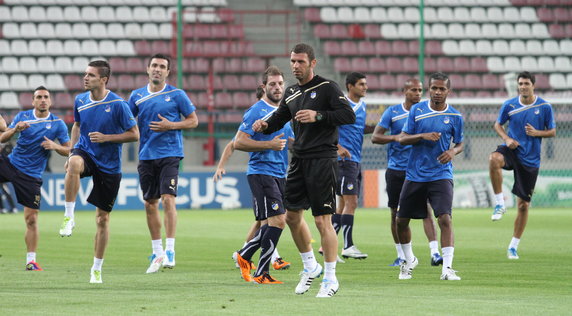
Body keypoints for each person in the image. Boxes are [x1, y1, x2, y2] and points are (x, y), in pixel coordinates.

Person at [253, 43, 356, 297]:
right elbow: (279, 118)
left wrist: (318, 116)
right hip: (298, 160)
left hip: (322, 159)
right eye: (292, 61)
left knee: (322, 220)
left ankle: (330, 279)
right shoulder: (290, 92)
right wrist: (263, 125)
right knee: (291, 217)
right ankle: (310, 266)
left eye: (300, 61)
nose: (295, 66)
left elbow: (348, 115)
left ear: (312, 63)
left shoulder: (327, 88)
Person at [59, 60, 139, 283]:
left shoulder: (118, 104)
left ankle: (96, 268)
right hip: (86, 152)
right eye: (85, 74)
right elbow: (76, 125)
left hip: (109, 165)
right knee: (74, 164)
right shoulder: (80, 100)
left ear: (103, 79)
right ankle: (69, 216)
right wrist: (72, 151)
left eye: (91, 75)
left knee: (102, 220)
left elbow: (134, 134)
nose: (85, 78)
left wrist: (107, 138)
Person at [127, 54, 198, 273]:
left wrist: (171, 125)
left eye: (162, 67)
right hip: (147, 155)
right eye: (154, 66)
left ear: (168, 72)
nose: (158, 69)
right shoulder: (136, 96)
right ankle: (157, 251)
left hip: (170, 153)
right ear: (147, 69)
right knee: (150, 203)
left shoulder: (177, 95)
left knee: (168, 199)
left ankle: (170, 250)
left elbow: (193, 121)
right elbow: (128, 122)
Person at [227, 66, 296, 284]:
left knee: (270, 223)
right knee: (278, 221)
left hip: (279, 173)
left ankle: (244, 255)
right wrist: (269, 144)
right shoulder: (256, 111)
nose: (277, 88)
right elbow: (239, 142)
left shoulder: (284, 113)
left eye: (280, 84)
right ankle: (261, 272)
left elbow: (291, 142)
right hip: (261, 172)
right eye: (273, 84)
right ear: (263, 87)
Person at [395, 72, 464, 281]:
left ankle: (447, 268)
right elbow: (403, 138)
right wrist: (422, 136)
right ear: (429, 89)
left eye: (442, 88)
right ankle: (408, 261)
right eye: (434, 88)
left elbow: (460, 143)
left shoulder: (455, 117)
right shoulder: (417, 110)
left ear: (448, 91)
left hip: (441, 174)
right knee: (400, 221)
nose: (437, 92)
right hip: (415, 174)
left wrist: (452, 152)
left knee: (445, 218)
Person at [372, 78, 443, 267]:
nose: (418, 93)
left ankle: (435, 252)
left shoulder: (427, 112)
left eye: (420, 90)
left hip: (420, 169)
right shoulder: (393, 112)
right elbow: (375, 136)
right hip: (396, 170)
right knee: (395, 213)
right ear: (405, 91)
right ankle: (402, 255)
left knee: (427, 210)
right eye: (414, 90)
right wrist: (396, 137)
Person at [0, 86, 70, 270]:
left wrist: (55, 147)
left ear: (50, 101)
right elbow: (3, 138)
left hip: (31, 175)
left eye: (46, 97)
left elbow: (69, 149)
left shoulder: (58, 124)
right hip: (11, 164)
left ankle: (31, 260)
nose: (43, 100)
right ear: (33, 101)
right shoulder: (23, 117)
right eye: (39, 97)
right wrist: (15, 129)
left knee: (31, 219)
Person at [489, 71, 556, 260]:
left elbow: (552, 132)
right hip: (512, 150)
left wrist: (536, 133)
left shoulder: (544, 106)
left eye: (526, 83)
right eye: (520, 83)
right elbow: (497, 125)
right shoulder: (509, 104)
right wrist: (507, 138)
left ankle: (513, 246)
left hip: (530, 159)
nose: (523, 86)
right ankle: (500, 203)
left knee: (523, 206)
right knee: (493, 159)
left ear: (533, 85)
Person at [330, 72, 374, 261]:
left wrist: (379, 127)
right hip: (343, 162)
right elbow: (327, 128)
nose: (365, 87)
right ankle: (348, 246)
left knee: (342, 205)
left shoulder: (362, 106)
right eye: (361, 84)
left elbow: (358, 129)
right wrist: (337, 147)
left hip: (355, 160)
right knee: (352, 202)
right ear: (350, 86)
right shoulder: (342, 105)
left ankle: (327, 246)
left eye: (365, 84)